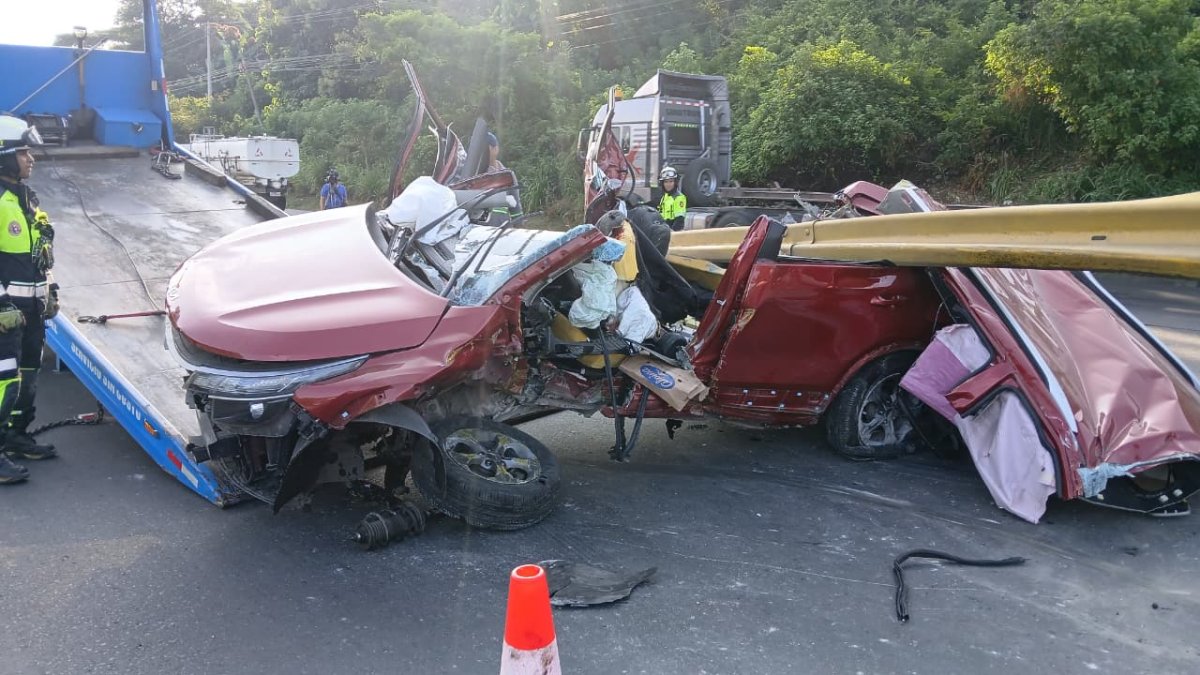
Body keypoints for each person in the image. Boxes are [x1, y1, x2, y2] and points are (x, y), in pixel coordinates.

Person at [0, 115, 57, 484]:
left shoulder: (27, 198)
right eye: (23, 152)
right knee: (4, 382)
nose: (30, 158)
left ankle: (16, 436)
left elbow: (39, 254)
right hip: (5, 315)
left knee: (29, 377)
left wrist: (51, 290)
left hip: (32, 311)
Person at [657, 165, 686, 231]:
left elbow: (679, 220)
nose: (668, 184)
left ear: (675, 182)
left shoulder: (679, 197)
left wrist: (672, 232)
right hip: (665, 230)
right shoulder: (665, 197)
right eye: (666, 182)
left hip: (674, 231)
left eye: (671, 181)